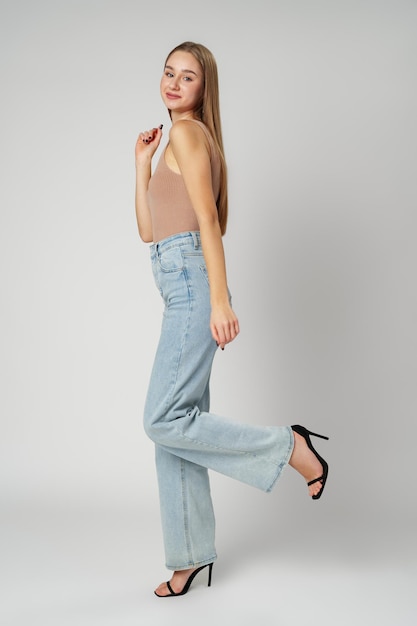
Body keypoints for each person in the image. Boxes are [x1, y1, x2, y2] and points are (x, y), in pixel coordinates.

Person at [134, 41, 329, 598]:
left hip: (194, 286)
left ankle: (288, 447)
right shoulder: (175, 140)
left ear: (203, 88)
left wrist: (221, 299)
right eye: (168, 73)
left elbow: (206, 226)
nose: (173, 84)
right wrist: (140, 165)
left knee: (162, 418)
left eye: (187, 77)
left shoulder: (192, 134)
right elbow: (149, 232)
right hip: (177, 285)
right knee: (176, 428)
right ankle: (191, 556)